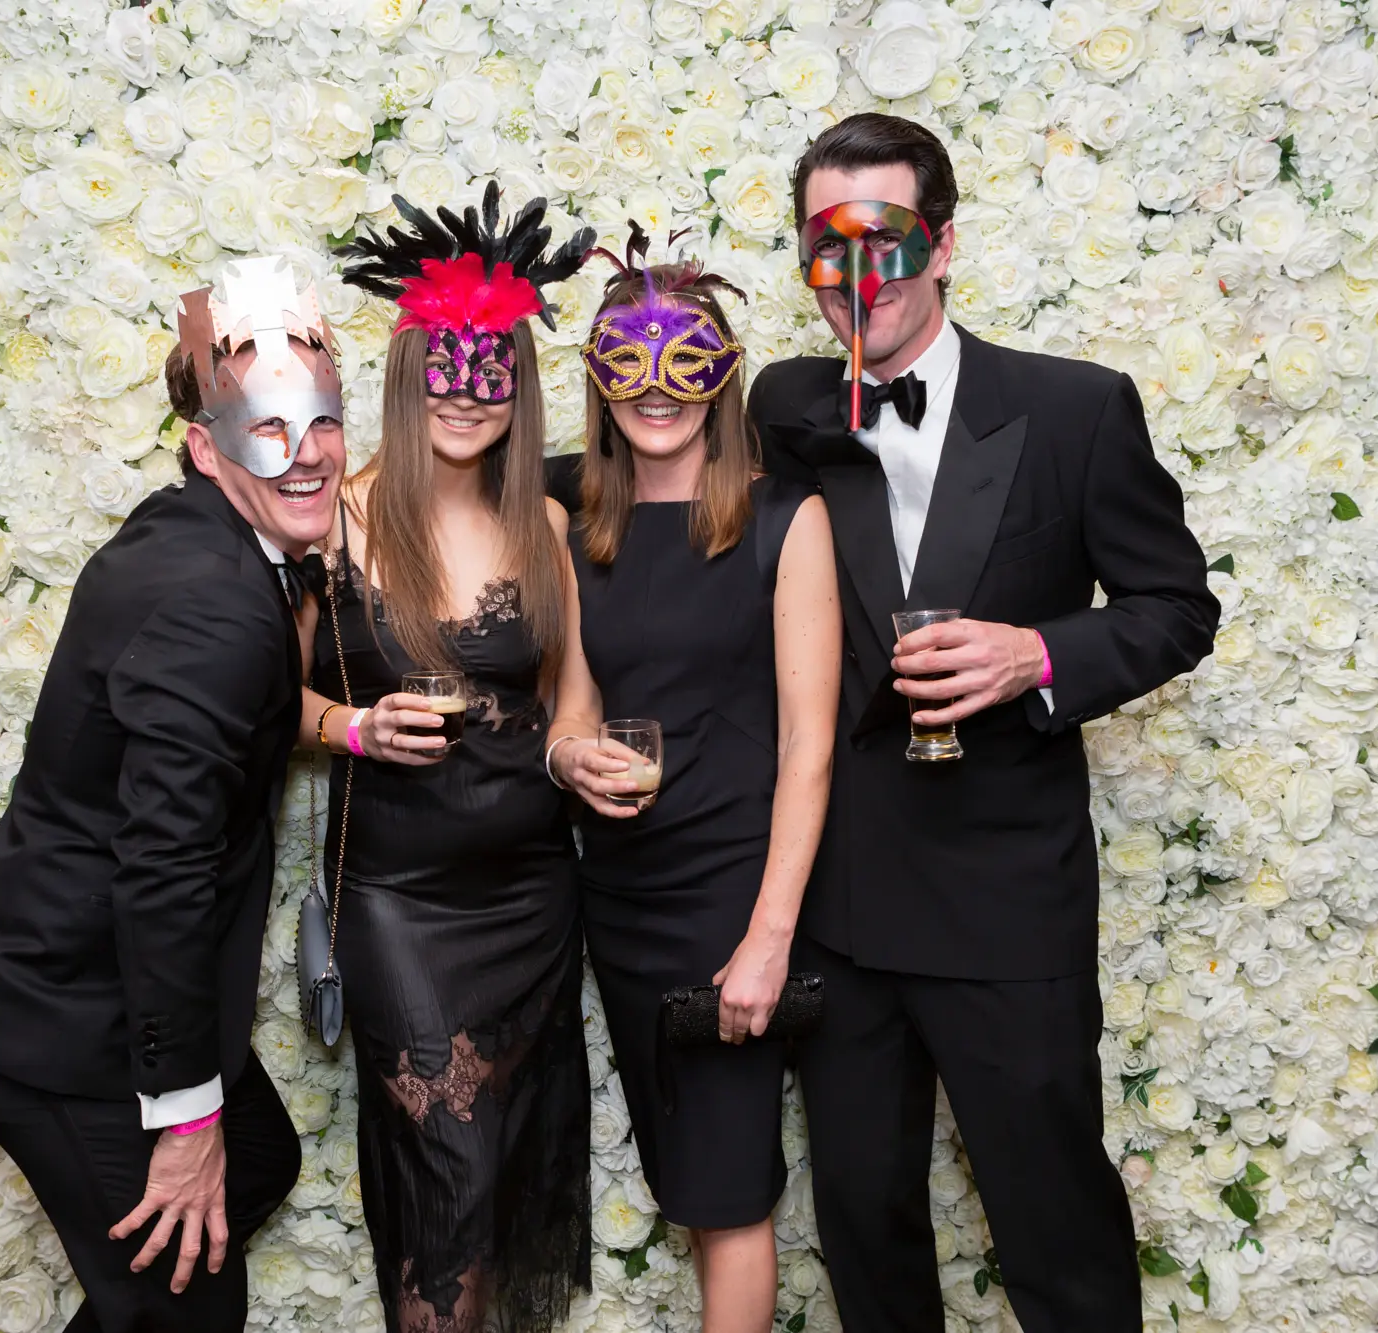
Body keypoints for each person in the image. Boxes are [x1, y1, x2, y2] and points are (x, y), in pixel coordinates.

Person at [748, 113, 1220, 1333]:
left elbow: (1176, 609)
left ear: (943, 243)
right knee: (862, 1220)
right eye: (824, 249)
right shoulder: (784, 402)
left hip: (1008, 900)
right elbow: (639, 487)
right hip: (841, 907)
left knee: (1051, 1222)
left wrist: (1038, 653)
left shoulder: (1073, 410)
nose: (857, 283)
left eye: (886, 244)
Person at [0, 257, 344, 1332]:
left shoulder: (196, 532)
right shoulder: (210, 603)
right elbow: (163, 867)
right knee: (189, 1305)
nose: (301, 457)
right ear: (207, 444)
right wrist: (182, 1117)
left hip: (78, 988)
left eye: (318, 423)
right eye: (264, 428)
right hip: (59, 1023)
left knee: (256, 1161)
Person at [303, 183, 595, 1333]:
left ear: (517, 385)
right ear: (403, 374)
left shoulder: (548, 525)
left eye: (493, 368)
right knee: (449, 1173)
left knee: (502, 1171)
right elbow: (276, 697)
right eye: (443, 364)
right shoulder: (333, 519)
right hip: (400, 903)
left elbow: (572, 699)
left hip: (530, 894)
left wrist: (583, 759)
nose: (466, 392)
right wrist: (352, 727)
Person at [545, 240, 841, 1333]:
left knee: (725, 1192)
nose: (655, 391)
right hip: (619, 899)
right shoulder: (579, 526)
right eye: (628, 367)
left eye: (683, 365)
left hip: (729, 899)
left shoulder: (783, 521)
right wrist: (565, 752)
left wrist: (767, 939)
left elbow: (808, 749)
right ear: (596, 376)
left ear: (721, 375)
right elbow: (572, 703)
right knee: (687, 1178)